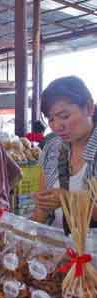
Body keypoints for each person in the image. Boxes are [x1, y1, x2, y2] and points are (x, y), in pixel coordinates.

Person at [32, 76, 97, 231]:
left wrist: (68, 200)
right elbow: (41, 210)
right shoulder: (52, 147)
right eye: (51, 119)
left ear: (88, 108)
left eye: (64, 116)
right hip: (57, 247)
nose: (57, 126)